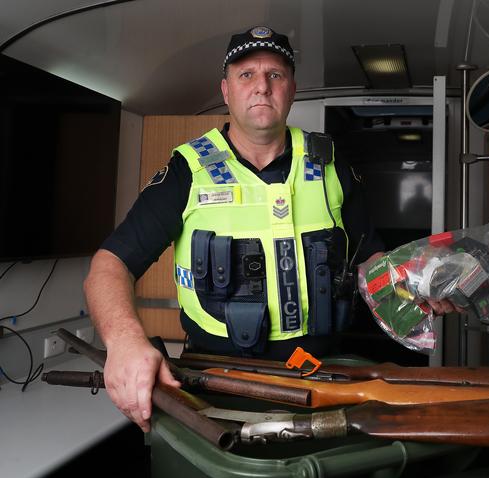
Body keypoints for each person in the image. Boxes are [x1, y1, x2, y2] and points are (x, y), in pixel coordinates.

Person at [84, 26, 458, 433]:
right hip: (215, 385)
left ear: (292, 89)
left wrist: (414, 281)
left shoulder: (330, 165)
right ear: (225, 90)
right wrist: (124, 341)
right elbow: (110, 265)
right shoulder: (186, 172)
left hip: (323, 378)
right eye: (246, 75)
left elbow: (368, 259)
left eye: (275, 75)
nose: (261, 87)